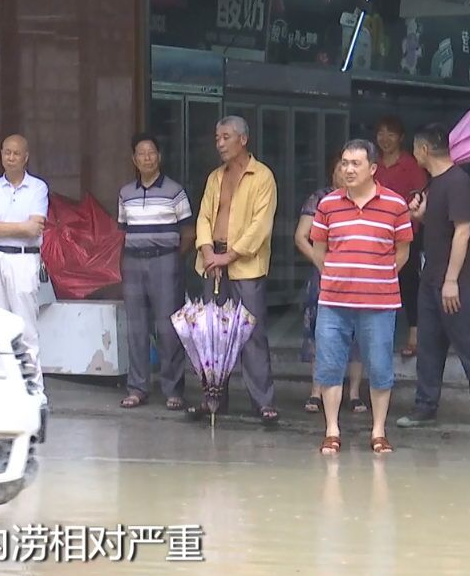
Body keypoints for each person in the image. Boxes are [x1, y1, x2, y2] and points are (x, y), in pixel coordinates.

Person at [310, 139, 413, 455]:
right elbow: (318, 249)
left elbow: (403, 252)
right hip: (333, 302)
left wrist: (376, 277)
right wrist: (339, 276)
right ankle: (331, 430)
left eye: (356, 163)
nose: (348, 169)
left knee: (380, 367)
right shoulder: (328, 204)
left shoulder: (395, 205)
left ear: (372, 168)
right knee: (329, 366)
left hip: (379, 303)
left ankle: (379, 431)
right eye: (344, 163)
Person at [397, 123, 470, 432]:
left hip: (457, 281)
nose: (414, 155)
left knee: (469, 343)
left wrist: (451, 280)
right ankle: (425, 406)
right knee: (429, 346)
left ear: (424, 150)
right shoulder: (435, 183)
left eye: (415, 150)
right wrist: (419, 215)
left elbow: (462, 232)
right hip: (431, 278)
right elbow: (440, 222)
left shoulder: (457, 182)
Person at [194, 116, 278, 424]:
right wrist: (207, 251)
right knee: (212, 335)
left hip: (244, 264)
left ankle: (263, 402)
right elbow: (204, 216)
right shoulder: (216, 176)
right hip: (212, 260)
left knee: (251, 333)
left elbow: (260, 226)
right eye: (217, 138)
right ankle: (214, 399)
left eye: (225, 137)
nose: (219, 143)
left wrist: (228, 256)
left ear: (243, 139)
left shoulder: (263, 176)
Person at [117, 133, 195, 411]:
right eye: (141, 153)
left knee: (168, 327)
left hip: (166, 261)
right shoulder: (125, 193)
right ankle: (137, 388)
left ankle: (173, 390)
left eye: (151, 153)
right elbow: (123, 231)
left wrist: (173, 258)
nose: (146, 158)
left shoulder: (174, 191)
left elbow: (189, 233)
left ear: (159, 157)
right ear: (134, 159)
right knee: (136, 327)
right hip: (133, 262)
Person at [0, 134, 50, 399]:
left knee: (25, 328)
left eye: (16, 153)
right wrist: (20, 227)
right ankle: (1, 391)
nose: (10, 157)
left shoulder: (38, 188)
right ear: (1, 155)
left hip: (24, 260)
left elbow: (35, 230)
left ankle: (33, 392)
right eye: (6, 152)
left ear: (26, 157)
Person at [296, 153, 366, 415]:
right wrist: (322, 263)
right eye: (340, 167)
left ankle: (355, 392)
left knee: (357, 333)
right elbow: (301, 236)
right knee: (320, 332)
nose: (346, 172)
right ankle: (317, 391)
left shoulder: (367, 199)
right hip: (324, 275)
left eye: (351, 166)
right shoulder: (321, 198)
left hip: (358, 277)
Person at [374, 115, 429, 359]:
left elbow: (420, 198)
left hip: (405, 233)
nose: (385, 139)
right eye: (381, 133)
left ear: (402, 138)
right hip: (374, 235)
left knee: (408, 283)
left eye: (391, 134)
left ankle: (414, 335)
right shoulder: (371, 163)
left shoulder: (411, 164)